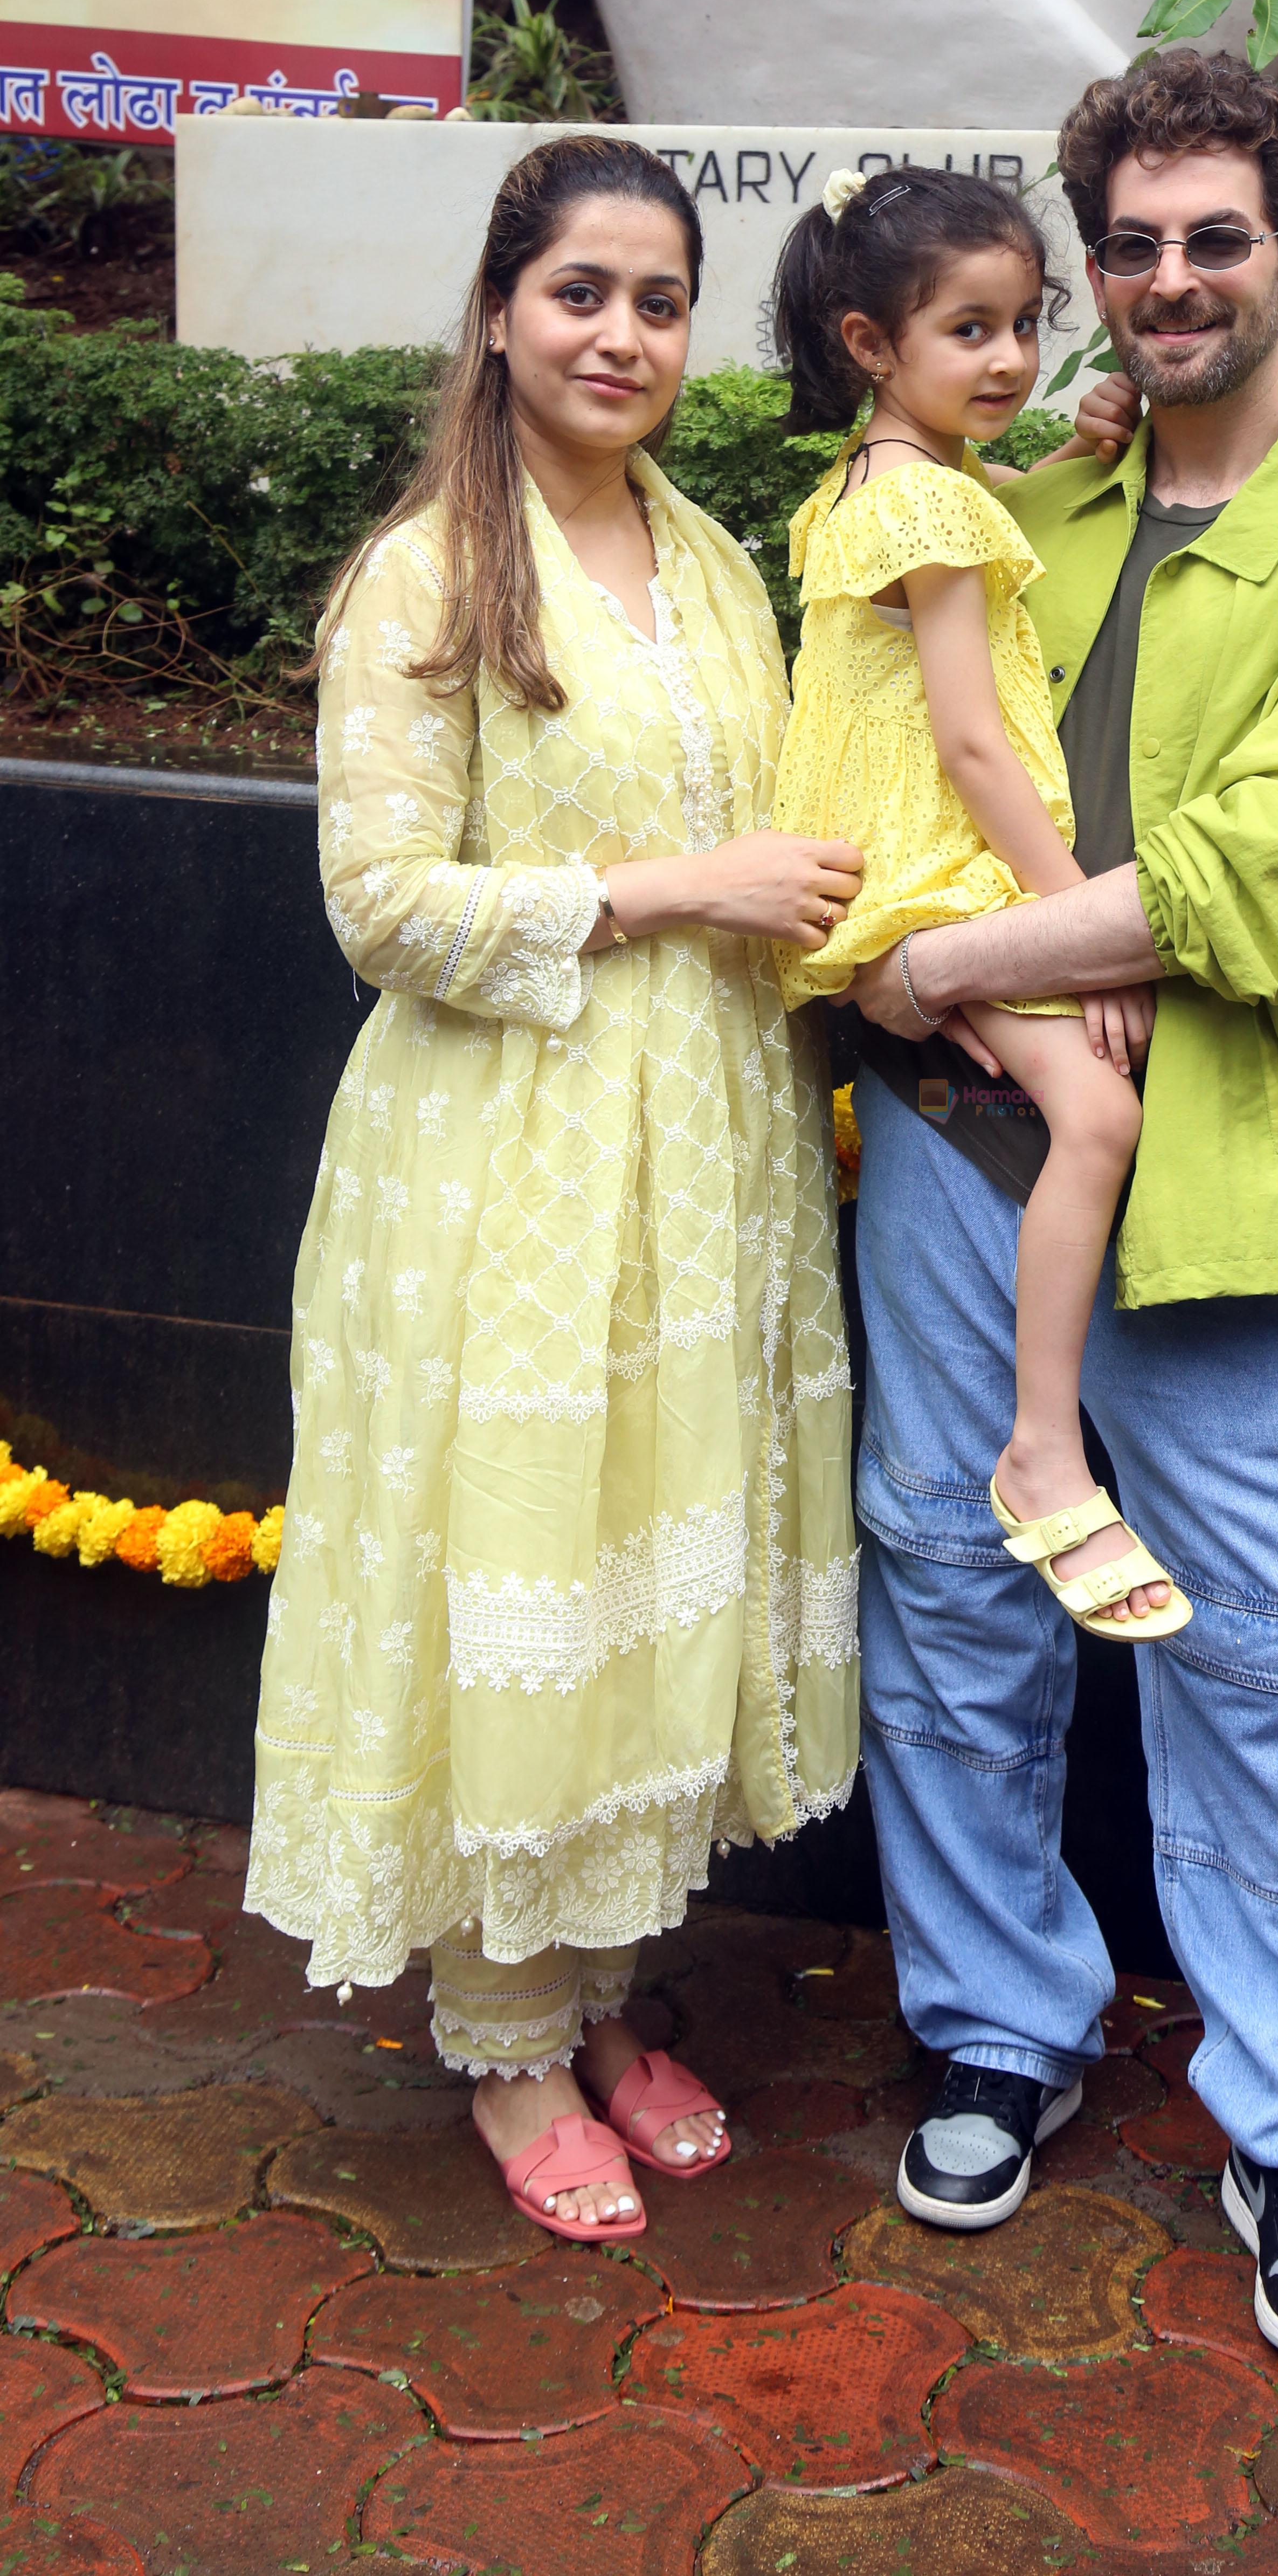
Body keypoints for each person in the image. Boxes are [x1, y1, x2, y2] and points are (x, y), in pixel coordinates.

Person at [846, 48, 1278, 2368]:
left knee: (1259, 1649)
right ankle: (994, 2026)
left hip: (1215, 1180)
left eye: (1216, 236)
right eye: (1126, 243)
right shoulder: (1043, 507)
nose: (1164, 279)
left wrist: (944, 966)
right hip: (957, 1155)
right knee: (947, 1579)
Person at [243, 136, 863, 2243]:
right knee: (527, 1566)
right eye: (583, 290)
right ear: (503, 308)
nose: (623, 334)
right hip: (510, 1167)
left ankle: (604, 1995)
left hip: (701, 1157)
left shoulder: (705, 559)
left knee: (644, 1571)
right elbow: (380, 903)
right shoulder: (429, 576)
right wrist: (668, 889)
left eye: (661, 299)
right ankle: (507, 2055)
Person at [770, 163, 1185, 1650]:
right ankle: (1044, 1447)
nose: (1010, 360)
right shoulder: (925, 510)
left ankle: (1035, 1442)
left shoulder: (899, 486)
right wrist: (1076, 917)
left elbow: (1024, 526)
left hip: (911, 876)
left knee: (1084, 1119)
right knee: (1100, 1118)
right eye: (970, 331)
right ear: (873, 342)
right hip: (937, 870)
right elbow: (968, 744)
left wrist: (1080, 448)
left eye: (1024, 325)